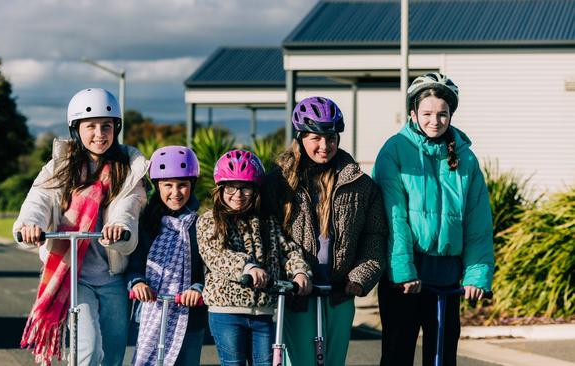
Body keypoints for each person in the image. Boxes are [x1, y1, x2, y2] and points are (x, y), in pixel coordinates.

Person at [13, 88, 149, 366]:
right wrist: (31, 225)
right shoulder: (58, 168)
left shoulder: (129, 170)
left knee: (112, 356)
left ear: (117, 128)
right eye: (91, 127)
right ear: (76, 129)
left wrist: (119, 227)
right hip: (75, 276)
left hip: (114, 277)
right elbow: (38, 201)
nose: (99, 134)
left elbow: (129, 207)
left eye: (107, 126)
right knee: (85, 351)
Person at [373, 72, 495, 366]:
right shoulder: (394, 150)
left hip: (446, 276)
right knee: (397, 355)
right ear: (413, 113)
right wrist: (403, 271)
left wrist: (477, 274)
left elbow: (477, 222)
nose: (435, 121)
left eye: (443, 114)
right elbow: (394, 217)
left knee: (442, 358)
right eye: (427, 113)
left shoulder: (466, 158)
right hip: (406, 274)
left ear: (451, 114)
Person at [263, 96, 388, 366]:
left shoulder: (361, 185)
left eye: (330, 138)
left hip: (340, 290)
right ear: (300, 138)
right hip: (296, 293)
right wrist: (288, 273)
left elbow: (375, 236)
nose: (324, 146)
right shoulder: (277, 182)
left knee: (332, 362)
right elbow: (268, 233)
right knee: (299, 362)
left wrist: (361, 276)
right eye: (315, 138)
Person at [196, 149, 312, 366]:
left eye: (245, 188)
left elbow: (288, 249)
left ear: (256, 190)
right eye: (231, 187)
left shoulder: (267, 221)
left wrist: (299, 270)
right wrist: (247, 267)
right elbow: (217, 255)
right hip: (226, 312)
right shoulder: (209, 220)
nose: (238, 194)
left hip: (263, 311)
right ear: (220, 189)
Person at [126, 145, 206, 366]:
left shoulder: (201, 224)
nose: (175, 192)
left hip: (189, 316)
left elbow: (209, 267)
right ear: (157, 186)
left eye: (183, 185)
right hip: (151, 312)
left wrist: (197, 288)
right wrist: (137, 283)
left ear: (192, 185)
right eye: (167, 185)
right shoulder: (146, 223)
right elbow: (135, 263)